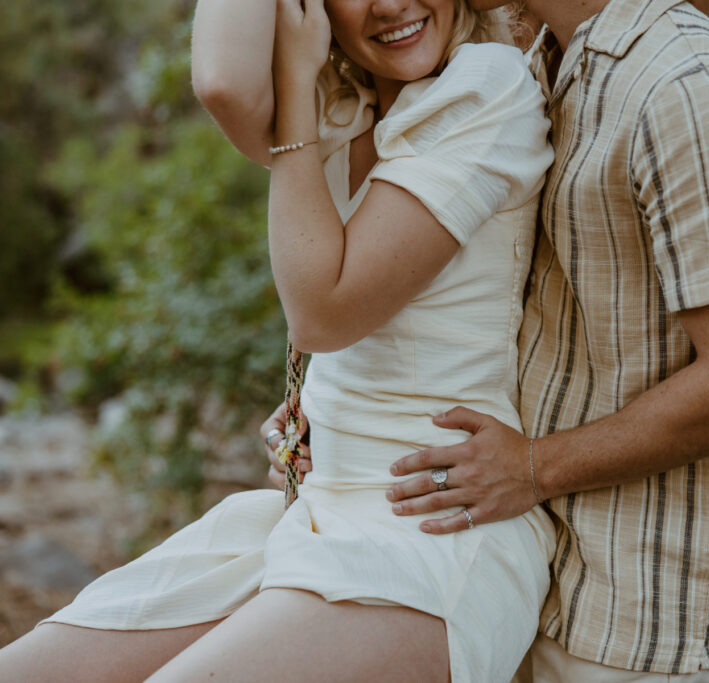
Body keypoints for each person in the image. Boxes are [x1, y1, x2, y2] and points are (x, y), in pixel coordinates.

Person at [0, 0, 556, 681]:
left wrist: (295, 88)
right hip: (311, 512)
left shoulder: (484, 86)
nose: (389, 4)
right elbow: (223, 82)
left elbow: (324, 314)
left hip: (432, 536)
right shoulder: (347, 101)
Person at [375, 0, 709, 681]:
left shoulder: (686, 87)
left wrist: (534, 466)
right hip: (533, 580)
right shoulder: (541, 64)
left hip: (640, 621)